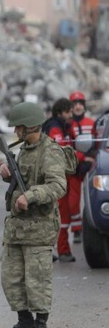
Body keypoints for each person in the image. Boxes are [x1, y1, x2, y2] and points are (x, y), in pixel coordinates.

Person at [0, 102, 67, 328]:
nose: (15, 132)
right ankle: (24, 321)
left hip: (39, 226)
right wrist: (5, 172)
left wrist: (31, 195)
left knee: (38, 278)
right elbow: (21, 179)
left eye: (18, 127)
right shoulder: (24, 149)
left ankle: (41, 326)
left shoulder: (51, 152)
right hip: (17, 227)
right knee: (12, 277)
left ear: (30, 126)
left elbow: (58, 186)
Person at [42, 98, 79, 262]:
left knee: (55, 216)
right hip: (57, 178)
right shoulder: (55, 129)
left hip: (58, 177)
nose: (71, 115)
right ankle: (62, 250)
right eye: (68, 112)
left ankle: (52, 250)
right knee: (59, 216)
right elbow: (60, 152)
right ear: (60, 112)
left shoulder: (61, 127)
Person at [68, 91, 97, 243]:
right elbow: (67, 146)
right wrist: (80, 159)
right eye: (75, 104)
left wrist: (90, 159)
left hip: (90, 166)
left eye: (80, 103)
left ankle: (93, 225)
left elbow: (97, 143)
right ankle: (77, 229)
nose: (78, 106)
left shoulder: (91, 123)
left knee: (94, 196)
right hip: (74, 167)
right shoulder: (67, 124)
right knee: (73, 202)